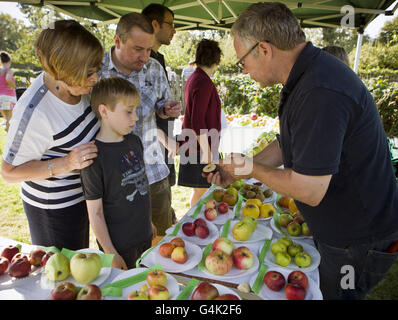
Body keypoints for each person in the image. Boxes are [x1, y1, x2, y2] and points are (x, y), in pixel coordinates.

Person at [205, 2, 398, 300]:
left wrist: (251, 168)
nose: (243, 69)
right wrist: (238, 170)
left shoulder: (320, 91)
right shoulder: (306, 76)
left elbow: (309, 190)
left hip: (357, 238)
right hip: (345, 229)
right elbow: (288, 143)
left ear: (265, 49)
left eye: (243, 59)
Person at [1, 20, 103, 250]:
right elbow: (8, 172)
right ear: (64, 72)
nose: (96, 78)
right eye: (89, 73)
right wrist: (66, 163)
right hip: (54, 210)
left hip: (80, 198)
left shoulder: (80, 88)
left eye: (97, 69)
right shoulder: (35, 111)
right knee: (63, 278)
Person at [99, 12, 181, 238]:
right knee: (123, 247)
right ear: (117, 41)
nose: (145, 57)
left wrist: (166, 109)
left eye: (148, 49)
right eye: (137, 49)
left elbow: (161, 105)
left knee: (163, 244)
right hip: (114, 180)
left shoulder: (154, 68)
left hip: (153, 172)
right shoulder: (96, 70)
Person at [80, 77, 156, 269]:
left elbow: (142, 186)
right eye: (129, 111)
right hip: (119, 246)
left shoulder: (134, 142)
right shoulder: (93, 158)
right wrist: (110, 252)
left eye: (136, 110)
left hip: (145, 235)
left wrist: (149, 223)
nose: (136, 117)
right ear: (104, 111)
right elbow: (95, 214)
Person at [142, 3, 179, 224]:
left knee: (161, 210)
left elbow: (156, 106)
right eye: (171, 24)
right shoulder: (145, 61)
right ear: (155, 24)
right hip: (147, 150)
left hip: (160, 150)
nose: (174, 30)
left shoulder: (159, 61)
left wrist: (166, 110)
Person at [178, 39, 224, 207]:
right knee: (204, 194)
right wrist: (209, 155)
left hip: (194, 145)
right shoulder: (203, 82)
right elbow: (197, 122)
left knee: (199, 192)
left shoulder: (195, 77)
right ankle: (193, 228)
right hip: (198, 149)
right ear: (217, 60)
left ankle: (192, 226)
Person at [0, 51, 17, 132]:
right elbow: (8, 79)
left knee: (6, 117)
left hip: (1, 96)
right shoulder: (9, 70)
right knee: (10, 117)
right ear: (9, 61)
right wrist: (13, 85)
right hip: (9, 96)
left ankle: (7, 127)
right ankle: (8, 129)